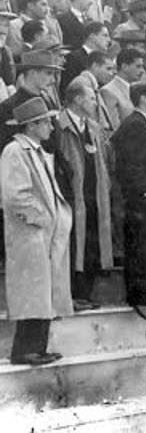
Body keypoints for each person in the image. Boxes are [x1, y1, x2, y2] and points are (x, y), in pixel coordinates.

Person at [1, 96, 71, 365]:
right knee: (32, 291)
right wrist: (42, 218)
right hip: (29, 233)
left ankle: (39, 347)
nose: (51, 128)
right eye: (46, 123)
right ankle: (24, 349)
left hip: (43, 234)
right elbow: (14, 196)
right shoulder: (15, 152)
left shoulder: (38, 152)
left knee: (44, 291)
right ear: (32, 126)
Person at [111, 82, 146, 323]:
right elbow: (132, 163)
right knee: (141, 247)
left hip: (142, 196)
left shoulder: (139, 123)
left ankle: (144, 292)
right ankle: (139, 297)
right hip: (139, 198)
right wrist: (143, 192)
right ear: (143, 98)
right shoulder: (136, 124)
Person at [58, 80, 113, 312]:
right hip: (72, 195)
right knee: (73, 245)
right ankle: (71, 293)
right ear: (78, 99)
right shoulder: (59, 125)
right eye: (91, 98)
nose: (95, 102)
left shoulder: (94, 127)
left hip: (94, 194)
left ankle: (85, 293)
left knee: (91, 245)